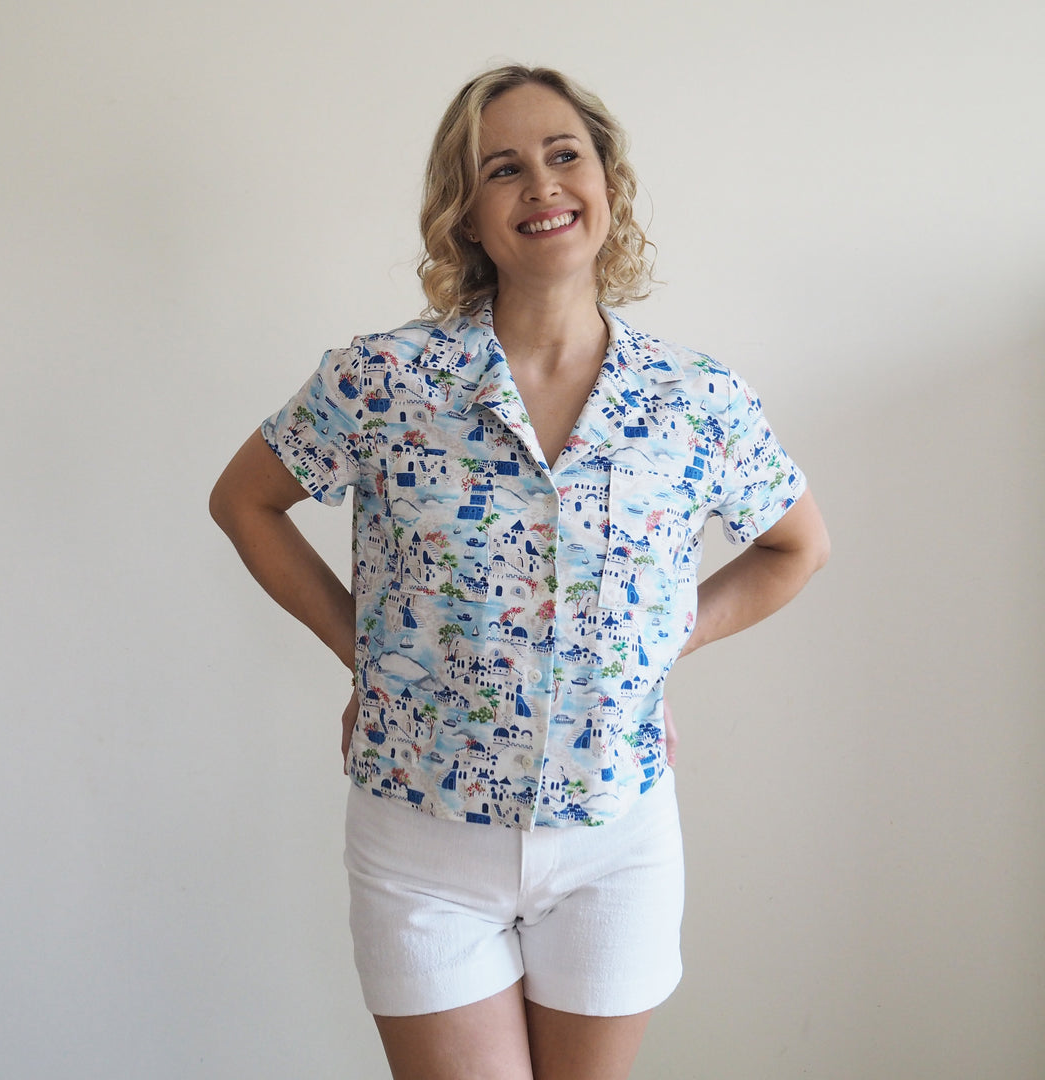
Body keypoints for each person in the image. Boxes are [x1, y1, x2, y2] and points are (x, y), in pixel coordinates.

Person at [210, 64, 829, 1080]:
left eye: (563, 155)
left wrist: (658, 646)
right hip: (422, 840)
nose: (541, 185)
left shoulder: (695, 398)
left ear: (607, 182)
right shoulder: (384, 379)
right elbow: (245, 501)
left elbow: (796, 546)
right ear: (466, 214)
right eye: (502, 168)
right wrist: (367, 651)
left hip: (614, 837)